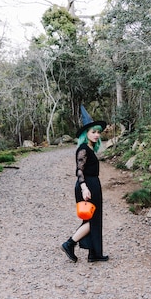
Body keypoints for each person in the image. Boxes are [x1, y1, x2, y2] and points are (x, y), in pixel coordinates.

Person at [61, 105, 108, 263]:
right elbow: (79, 170)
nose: (96, 135)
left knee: (94, 218)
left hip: (93, 184)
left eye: (98, 132)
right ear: (85, 133)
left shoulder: (90, 148)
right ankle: (69, 243)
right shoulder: (83, 149)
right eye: (93, 132)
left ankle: (94, 254)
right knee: (91, 219)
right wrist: (84, 188)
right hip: (87, 186)